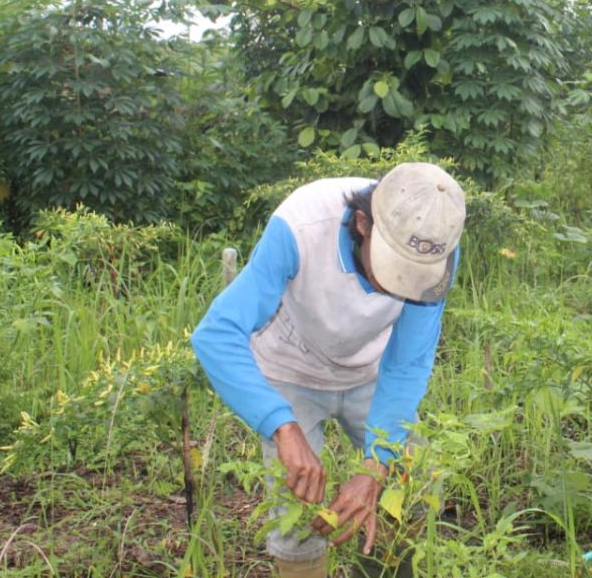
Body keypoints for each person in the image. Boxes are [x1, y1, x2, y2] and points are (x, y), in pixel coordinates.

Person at [191, 162, 466, 578]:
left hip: (370, 369)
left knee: (413, 482)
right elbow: (216, 333)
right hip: (291, 365)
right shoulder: (300, 225)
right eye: (394, 269)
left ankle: (382, 568)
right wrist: (281, 425)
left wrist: (375, 466)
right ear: (363, 224)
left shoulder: (435, 246)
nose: (398, 286)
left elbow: (408, 361)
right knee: (296, 505)